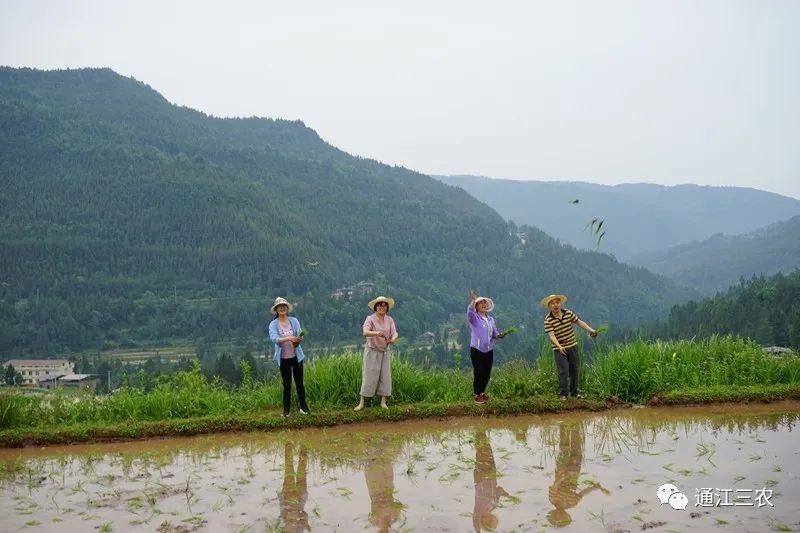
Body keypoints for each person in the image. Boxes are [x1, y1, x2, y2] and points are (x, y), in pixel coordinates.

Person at [547, 422, 608, 527]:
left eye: (557, 517)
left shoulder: (553, 499)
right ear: (567, 516)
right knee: (576, 448)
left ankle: (564, 424)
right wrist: (594, 487)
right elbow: (582, 493)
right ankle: (575, 424)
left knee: (564, 448)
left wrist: (562, 478)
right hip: (574, 470)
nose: (560, 516)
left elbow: (555, 486)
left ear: (553, 514)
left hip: (562, 470)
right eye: (564, 518)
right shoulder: (572, 503)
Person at [541, 294, 597, 400]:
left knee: (574, 370)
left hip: (572, 345)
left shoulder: (568, 313)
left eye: (557, 302)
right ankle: (563, 394)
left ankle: (575, 393)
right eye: (552, 303)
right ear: (549, 306)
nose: (555, 305)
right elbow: (551, 336)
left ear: (560, 303)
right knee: (563, 371)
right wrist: (559, 346)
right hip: (559, 349)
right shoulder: (548, 320)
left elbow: (579, 322)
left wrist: (591, 330)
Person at [355, 296, 398, 411]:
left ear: (387, 307)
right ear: (376, 307)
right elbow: (365, 332)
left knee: (385, 376)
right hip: (372, 350)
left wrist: (393, 339)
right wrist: (377, 333)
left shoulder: (390, 320)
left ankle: (383, 401)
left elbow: (394, 333)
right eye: (379, 305)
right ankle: (362, 402)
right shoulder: (370, 319)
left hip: (384, 351)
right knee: (369, 375)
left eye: (384, 305)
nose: (382, 307)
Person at [268, 297, 309, 417]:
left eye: (284, 306)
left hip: (296, 356)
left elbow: (300, 334)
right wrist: (290, 338)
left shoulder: (294, 321)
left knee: (299, 382)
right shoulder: (273, 324)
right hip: (283, 358)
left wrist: (298, 339)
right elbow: (275, 339)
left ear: (287, 308)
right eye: (279, 307)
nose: (282, 308)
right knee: (287, 384)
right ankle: (287, 410)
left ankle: (303, 407)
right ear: (276, 310)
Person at [467, 289, 505, 404]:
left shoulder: (491, 320)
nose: (483, 305)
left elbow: (494, 334)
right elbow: (469, 312)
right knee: (479, 372)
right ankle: (477, 395)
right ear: (477, 306)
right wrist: (473, 301)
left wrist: (499, 336)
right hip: (477, 349)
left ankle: (482, 393)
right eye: (480, 303)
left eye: (485, 303)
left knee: (487, 372)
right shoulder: (474, 318)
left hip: (489, 350)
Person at [472, 429, 509, 531]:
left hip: (481, 478)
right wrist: (506, 494)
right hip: (492, 476)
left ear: (484, 521)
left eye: (491, 522)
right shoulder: (494, 506)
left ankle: (479, 433)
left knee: (481, 456)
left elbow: (475, 519)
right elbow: (499, 490)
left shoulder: (479, 511)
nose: (493, 519)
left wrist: (478, 531)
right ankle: (482, 434)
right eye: (494, 521)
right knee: (488, 454)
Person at [279, 442, 310, 532]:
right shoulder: (300, 530)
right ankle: (304, 443)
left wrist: (290, 514)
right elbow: (306, 516)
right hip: (300, 497)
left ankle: (288, 442)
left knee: (289, 468)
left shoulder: (282, 526)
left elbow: (282, 514)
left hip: (287, 497)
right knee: (302, 470)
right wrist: (301, 518)